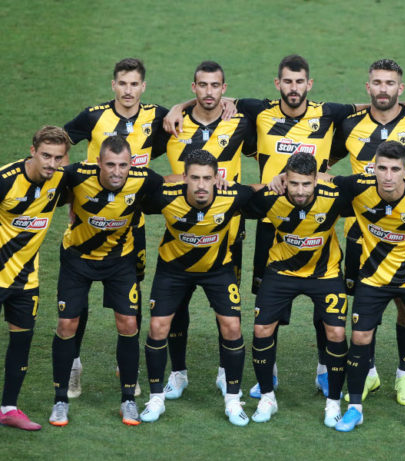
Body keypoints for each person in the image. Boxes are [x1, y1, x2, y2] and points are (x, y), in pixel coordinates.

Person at [164, 54, 405, 399]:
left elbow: (376, 104)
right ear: (278, 84)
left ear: (309, 84)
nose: (294, 88)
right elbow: (212, 98)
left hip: (318, 220)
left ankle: (325, 370)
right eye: (287, 82)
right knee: (269, 303)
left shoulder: (329, 113)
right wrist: (179, 106)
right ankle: (270, 375)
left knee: (325, 304)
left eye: (299, 81)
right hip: (272, 221)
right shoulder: (259, 110)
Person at [330, 58, 405, 406]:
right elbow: (324, 164)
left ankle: (404, 375)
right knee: (363, 307)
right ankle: (368, 374)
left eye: (390, 83)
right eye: (378, 83)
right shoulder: (350, 124)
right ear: (368, 86)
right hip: (361, 235)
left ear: (401, 87)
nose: (384, 89)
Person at [63, 57, 168, 399]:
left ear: (143, 87)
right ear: (113, 85)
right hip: (89, 221)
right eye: (122, 83)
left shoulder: (157, 116)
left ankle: (127, 369)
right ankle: (73, 365)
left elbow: (193, 121)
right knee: (78, 302)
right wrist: (71, 192)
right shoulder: (93, 116)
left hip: (130, 224)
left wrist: (182, 108)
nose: (128, 90)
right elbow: (58, 144)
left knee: (130, 302)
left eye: (134, 84)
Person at [151, 61, 255, 399]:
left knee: (227, 310)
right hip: (182, 230)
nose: (209, 92)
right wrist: (177, 108)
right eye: (202, 85)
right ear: (193, 87)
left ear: (224, 89)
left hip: (227, 232)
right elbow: (139, 164)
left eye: (215, 86)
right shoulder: (171, 124)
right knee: (176, 308)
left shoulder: (240, 120)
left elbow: (278, 106)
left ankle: (225, 372)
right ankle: (178, 373)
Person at [48, 136, 165, 427]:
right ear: (98, 162)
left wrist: (204, 180)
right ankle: (60, 400)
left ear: (131, 164)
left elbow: (172, 185)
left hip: (120, 261)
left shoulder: (143, 178)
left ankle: (128, 399)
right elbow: (47, 176)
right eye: (110, 164)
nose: (116, 172)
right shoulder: (77, 174)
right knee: (66, 324)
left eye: (123, 165)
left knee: (129, 324)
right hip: (77, 259)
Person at [0, 125, 70, 437]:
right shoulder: (2, 180)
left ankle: (9, 409)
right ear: (33, 151)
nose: (51, 164)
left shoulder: (61, 178)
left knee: (22, 341)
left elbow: (94, 180)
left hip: (26, 279)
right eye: (46, 156)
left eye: (58, 158)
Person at [140, 149, 253, 426]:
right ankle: (158, 396)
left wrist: (281, 180)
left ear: (216, 178)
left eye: (207, 178)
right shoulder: (165, 196)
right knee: (157, 327)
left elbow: (262, 193)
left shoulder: (232, 195)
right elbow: (133, 191)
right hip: (173, 270)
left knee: (232, 326)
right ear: (185, 178)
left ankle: (233, 399)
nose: (201, 185)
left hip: (217, 270)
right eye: (194, 178)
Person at [246, 152, 350, 426]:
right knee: (262, 330)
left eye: (306, 184)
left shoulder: (334, 195)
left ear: (316, 180)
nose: (300, 191)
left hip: (325, 273)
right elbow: (240, 196)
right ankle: (267, 397)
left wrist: (327, 177)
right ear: (285, 180)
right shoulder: (271, 196)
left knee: (337, 333)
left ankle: (333, 402)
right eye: (293, 183)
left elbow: (363, 185)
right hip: (281, 272)